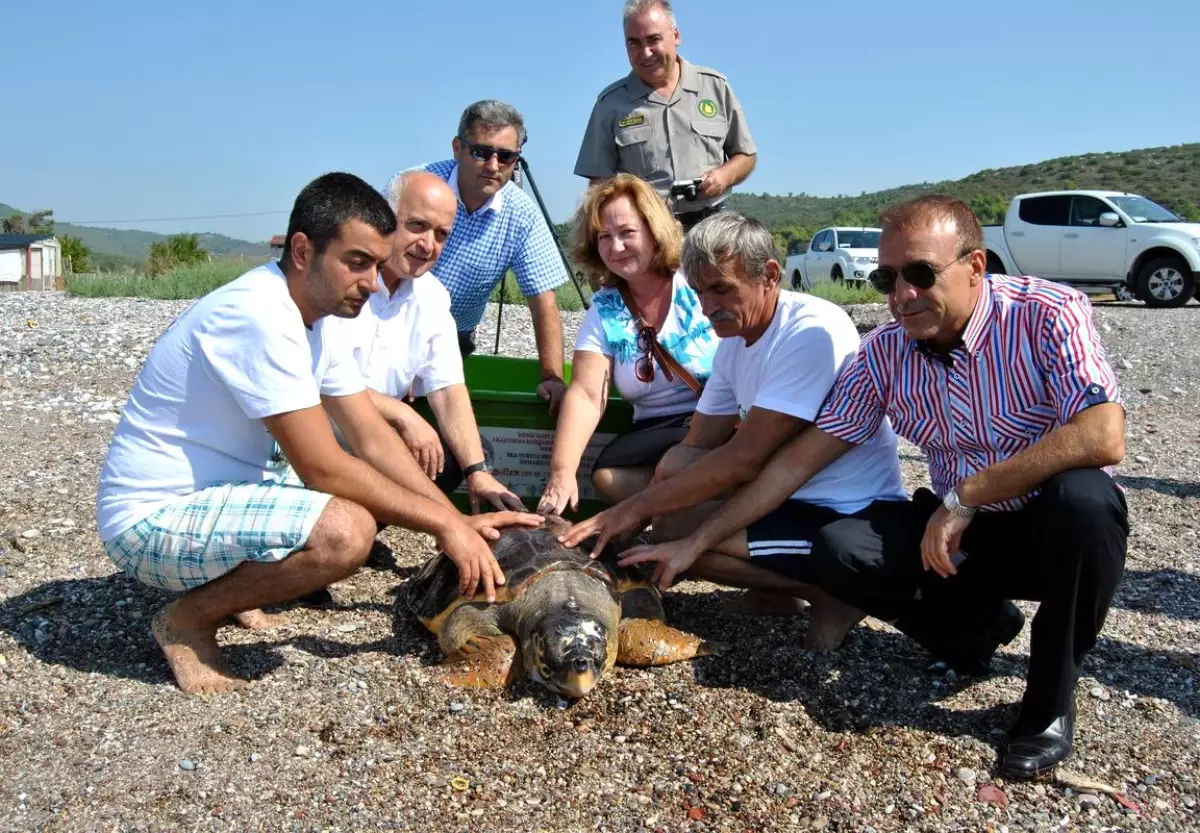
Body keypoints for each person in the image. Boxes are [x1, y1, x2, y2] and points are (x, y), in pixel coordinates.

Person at [617, 195, 1127, 780]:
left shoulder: (1047, 313)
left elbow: (1102, 434)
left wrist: (969, 495)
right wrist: (691, 542)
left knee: (1085, 499)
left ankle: (1046, 708)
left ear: (976, 267)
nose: (901, 294)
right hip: (961, 535)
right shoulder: (884, 352)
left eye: (920, 273)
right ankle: (978, 629)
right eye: (887, 277)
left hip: (1044, 529)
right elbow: (791, 466)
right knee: (842, 550)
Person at [96, 173, 540, 695]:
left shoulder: (319, 320)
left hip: (221, 491)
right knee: (347, 530)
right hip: (150, 517)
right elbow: (324, 467)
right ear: (303, 250)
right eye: (357, 262)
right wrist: (443, 529)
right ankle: (187, 620)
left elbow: (371, 437)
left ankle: (234, 591)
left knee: (352, 500)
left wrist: (460, 520)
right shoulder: (260, 315)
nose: (373, 283)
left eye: (377, 265)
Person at [560, 212, 909, 646]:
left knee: (682, 537)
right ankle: (774, 592)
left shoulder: (811, 331)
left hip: (844, 510)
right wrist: (643, 512)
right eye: (700, 291)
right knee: (669, 514)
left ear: (770, 275)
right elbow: (695, 445)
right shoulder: (733, 342)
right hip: (784, 493)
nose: (707, 307)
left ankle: (830, 593)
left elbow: (744, 459)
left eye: (722, 288)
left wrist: (628, 511)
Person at [325, 171, 523, 513]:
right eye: (417, 226)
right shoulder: (342, 281)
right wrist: (402, 414)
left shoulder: (431, 296)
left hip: (379, 435)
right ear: (385, 219)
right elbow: (320, 377)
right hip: (320, 428)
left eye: (441, 234)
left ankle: (367, 526)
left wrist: (477, 472)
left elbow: (447, 388)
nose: (428, 245)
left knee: (455, 457)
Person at [536, 174, 718, 516]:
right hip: (656, 433)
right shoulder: (605, 309)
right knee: (607, 479)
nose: (616, 247)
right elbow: (587, 395)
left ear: (654, 230)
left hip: (716, 421)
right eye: (604, 236)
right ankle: (698, 507)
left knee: (681, 466)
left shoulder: (697, 283)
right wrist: (562, 474)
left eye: (627, 233)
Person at [384, 100, 570, 413]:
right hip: (388, 324)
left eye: (506, 156)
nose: (494, 165)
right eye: (481, 152)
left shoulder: (522, 216)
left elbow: (544, 300)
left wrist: (552, 376)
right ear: (458, 148)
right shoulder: (414, 186)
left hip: (453, 338)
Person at [573, 0, 756, 231]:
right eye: (634, 43)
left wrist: (724, 176)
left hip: (713, 230)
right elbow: (598, 187)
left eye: (653, 40)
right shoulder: (610, 104)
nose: (645, 52)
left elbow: (746, 155)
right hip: (650, 235)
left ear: (676, 35)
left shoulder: (714, 87)